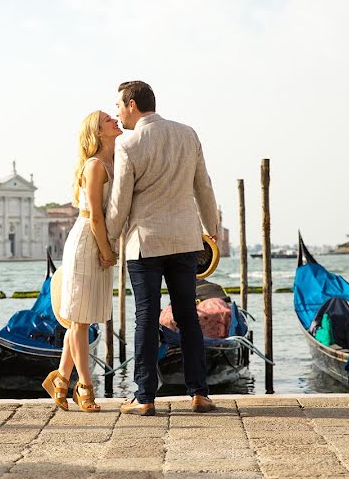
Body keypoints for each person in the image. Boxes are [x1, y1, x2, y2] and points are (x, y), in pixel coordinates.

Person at [106, 80, 219, 416]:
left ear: (131, 104)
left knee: (145, 318)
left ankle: (144, 397)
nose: (116, 112)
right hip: (186, 240)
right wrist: (212, 231)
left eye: (118, 106)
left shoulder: (128, 144)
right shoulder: (188, 134)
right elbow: (204, 187)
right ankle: (199, 393)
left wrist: (108, 240)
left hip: (145, 243)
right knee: (188, 318)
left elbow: (120, 202)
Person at [42, 110, 122, 412]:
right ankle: (85, 386)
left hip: (98, 240)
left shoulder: (114, 161)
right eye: (107, 120)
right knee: (79, 321)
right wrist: (105, 250)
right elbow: (96, 215)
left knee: (81, 318)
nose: (114, 120)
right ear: (97, 132)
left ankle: (60, 380)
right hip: (87, 241)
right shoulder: (95, 165)